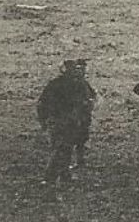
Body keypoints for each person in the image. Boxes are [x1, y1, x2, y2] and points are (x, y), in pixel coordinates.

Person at [36, 58, 96, 186]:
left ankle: (64, 175)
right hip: (60, 121)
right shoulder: (60, 84)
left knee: (64, 148)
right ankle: (49, 177)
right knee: (60, 148)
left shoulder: (76, 84)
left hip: (69, 121)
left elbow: (87, 100)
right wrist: (43, 119)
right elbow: (43, 103)